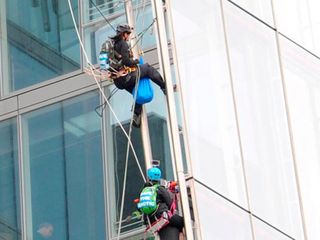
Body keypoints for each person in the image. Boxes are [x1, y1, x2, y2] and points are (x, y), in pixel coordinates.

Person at [107, 23, 167, 127]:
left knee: (139, 90)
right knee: (148, 69)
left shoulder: (113, 45)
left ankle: (136, 115)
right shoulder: (123, 44)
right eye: (128, 34)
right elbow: (126, 61)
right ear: (124, 34)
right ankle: (164, 87)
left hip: (119, 82)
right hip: (126, 77)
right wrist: (135, 61)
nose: (129, 36)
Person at [138, 167, 184, 239]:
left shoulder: (143, 191)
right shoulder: (159, 188)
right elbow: (170, 203)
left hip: (150, 222)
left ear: (149, 176)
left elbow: (139, 208)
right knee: (184, 221)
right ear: (159, 177)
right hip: (162, 216)